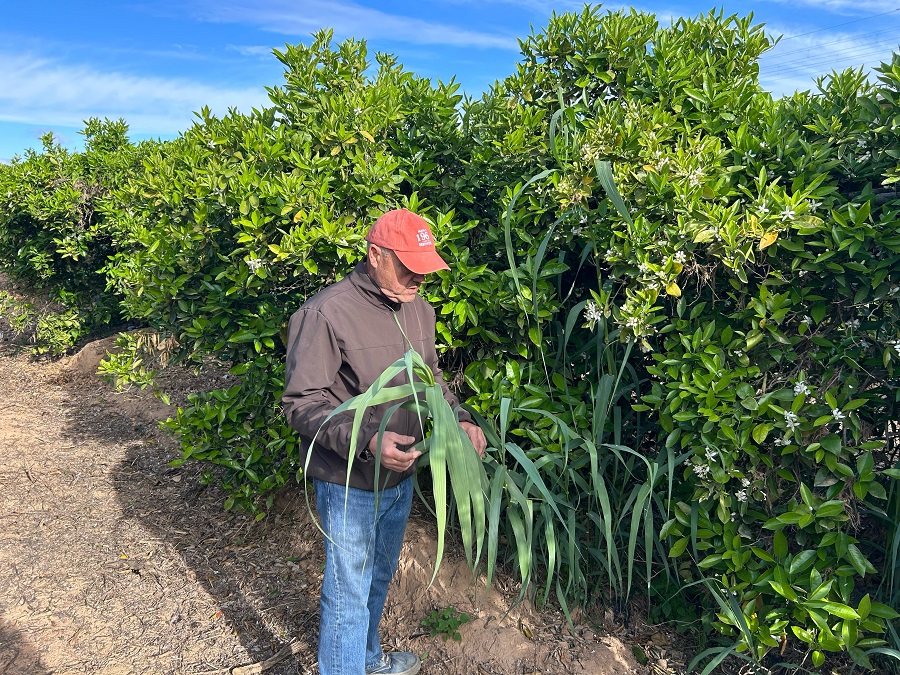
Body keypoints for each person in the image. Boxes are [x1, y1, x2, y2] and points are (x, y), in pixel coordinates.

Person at [282, 208, 487, 675]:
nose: (418, 278)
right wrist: (370, 442)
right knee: (346, 595)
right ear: (375, 256)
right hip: (348, 481)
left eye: (424, 267)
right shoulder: (325, 314)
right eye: (408, 266)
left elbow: (430, 379)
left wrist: (459, 420)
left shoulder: (418, 309)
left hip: (401, 478)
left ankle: (369, 661)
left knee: (375, 580)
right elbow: (300, 404)